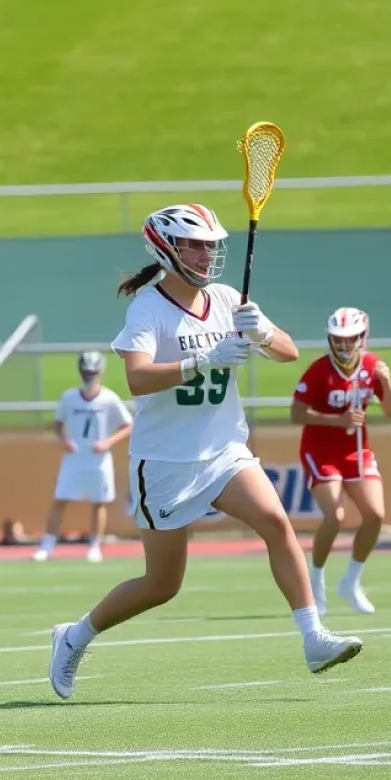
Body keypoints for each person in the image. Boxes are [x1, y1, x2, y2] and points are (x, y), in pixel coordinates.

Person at [47, 204, 363, 700]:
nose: (206, 253)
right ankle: (75, 636)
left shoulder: (224, 298)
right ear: (166, 248)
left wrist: (260, 330)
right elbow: (136, 378)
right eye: (195, 244)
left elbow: (287, 352)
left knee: (277, 524)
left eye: (211, 245)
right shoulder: (147, 308)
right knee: (162, 585)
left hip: (224, 451)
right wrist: (202, 360)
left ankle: (313, 637)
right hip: (166, 461)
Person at [290, 308, 391, 616]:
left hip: (357, 451)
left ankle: (351, 581)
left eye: (349, 339)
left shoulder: (371, 366)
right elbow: (296, 414)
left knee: (375, 514)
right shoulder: (319, 370)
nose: (343, 345)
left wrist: (387, 383)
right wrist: (335, 420)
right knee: (335, 516)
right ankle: (316, 579)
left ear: (361, 338)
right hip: (321, 452)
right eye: (338, 339)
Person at [32, 351, 133, 564]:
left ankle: (95, 546)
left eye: (92, 372)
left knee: (99, 502)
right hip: (75, 458)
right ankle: (47, 546)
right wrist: (64, 440)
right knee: (60, 500)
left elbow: (127, 425)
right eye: (86, 371)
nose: (89, 376)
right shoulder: (69, 397)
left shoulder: (109, 398)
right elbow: (58, 424)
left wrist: (107, 442)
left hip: (99, 460)